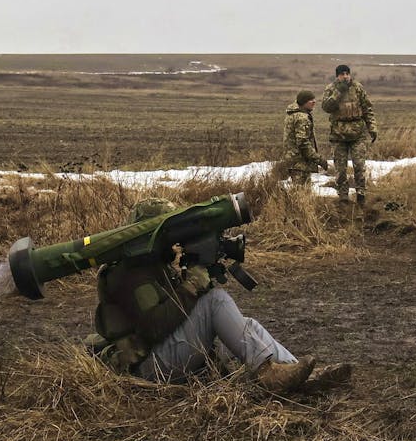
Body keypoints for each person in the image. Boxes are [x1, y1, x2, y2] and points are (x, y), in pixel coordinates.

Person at [89, 197, 351, 392]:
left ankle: (297, 374)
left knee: (247, 326)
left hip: (160, 359)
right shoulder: (130, 273)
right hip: (148, 371)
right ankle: (267, 374)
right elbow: (155, 327)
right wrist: (192, 287)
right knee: (215, 302)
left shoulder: (148, 266)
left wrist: (190, 282)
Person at [321, 64, 377, 204]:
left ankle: (361, 193)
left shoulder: (358, 88)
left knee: (359, 165)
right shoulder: (331, 89)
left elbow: (367, 109)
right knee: (340, 167)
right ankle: (343, 196)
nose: (345, 76)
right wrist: (338, 92)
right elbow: (326, 107)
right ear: (337, 76)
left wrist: (372, 128)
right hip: (339, 134)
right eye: (342, 74)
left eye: (347, 73)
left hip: (357, 133)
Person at [283, 90, 328, 184]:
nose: (314, 102)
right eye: (310, 100)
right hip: (300, 162)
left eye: (314, 99)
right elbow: (303, 143)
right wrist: (319, 159)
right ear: (303, 102)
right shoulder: (301, 118)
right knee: (301, 193)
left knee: (300, 192)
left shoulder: (292, 115)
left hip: (294, 161)